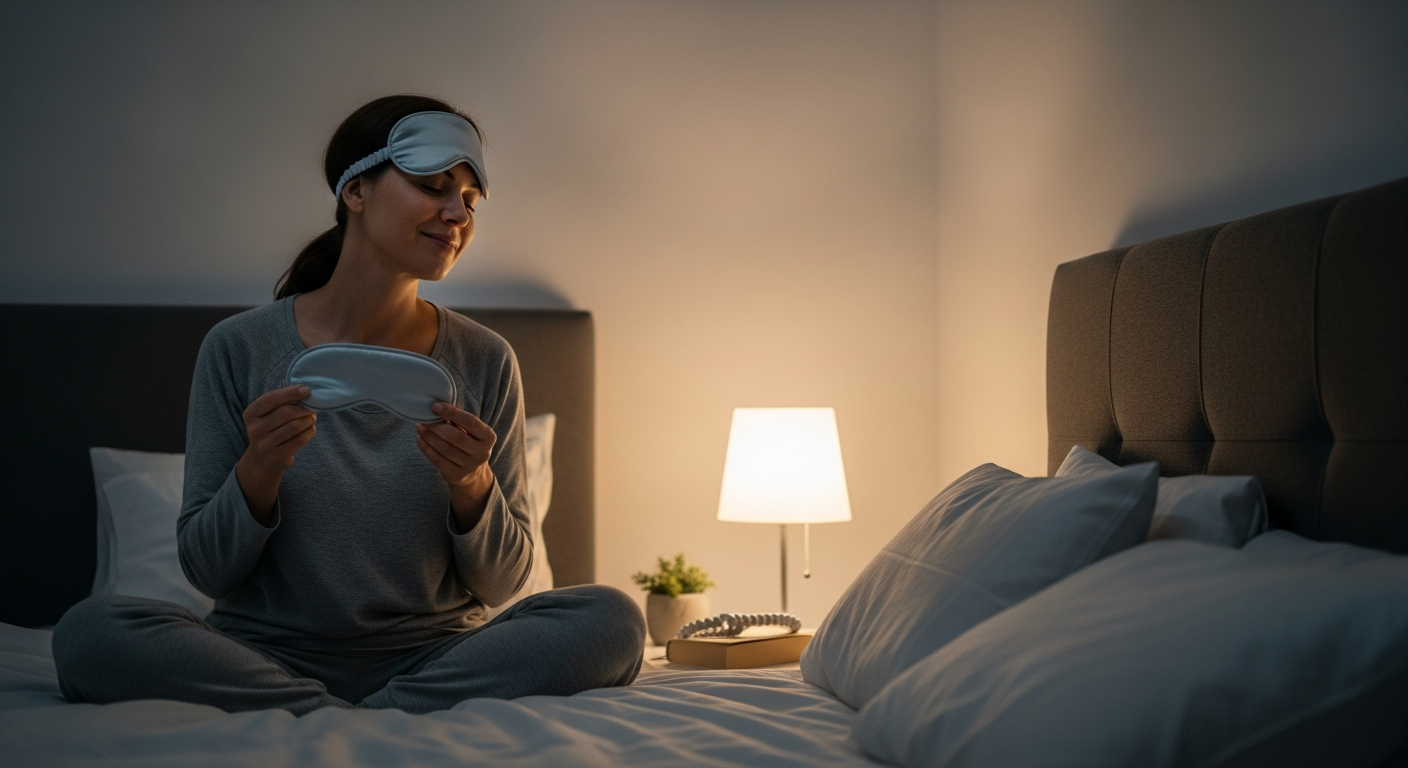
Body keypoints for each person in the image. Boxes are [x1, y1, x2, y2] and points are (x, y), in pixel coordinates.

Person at [51, 95, 645, 715]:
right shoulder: (239, 348)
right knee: (90, 633)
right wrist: (258, 471)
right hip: (264, 653)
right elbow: (207, 573)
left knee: (612, 618)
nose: (456, 213)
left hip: (437, 655)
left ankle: (345, 712)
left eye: (469, 199)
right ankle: (356, 711)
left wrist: (472, 484)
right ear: (355, 192)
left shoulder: (486, 359)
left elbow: (502, 585)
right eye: (433, 186)